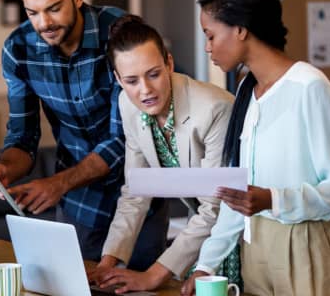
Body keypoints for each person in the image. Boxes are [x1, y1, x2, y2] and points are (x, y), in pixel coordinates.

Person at [0, 0, 167, 266]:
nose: (44, 23)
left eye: (54, 8)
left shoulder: (121, 34)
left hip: (138, 196)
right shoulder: (19, 50)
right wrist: (5, 170)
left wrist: (59, 182)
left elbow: (127, 136)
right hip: (79, 206)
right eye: (32, 12)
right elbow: (23, 135)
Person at [181, 0, 330, 296]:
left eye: (211, 35)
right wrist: (206, 264)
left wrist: (272, 199)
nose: (207, 48)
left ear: (240, 29)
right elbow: (239, 196)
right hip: (255, 249)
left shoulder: (310, 88)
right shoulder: (247, 91)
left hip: (305, 248)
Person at [88, 15, 234, 293]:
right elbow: (135, 192)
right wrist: (107, 264)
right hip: (199, 237)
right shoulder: (127, 105)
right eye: (131, 80)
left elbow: (216, 206)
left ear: (169, 63)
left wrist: (153, 276)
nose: (145, 90)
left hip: (234, 235)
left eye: (153, 74)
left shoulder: (214, 109)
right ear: (118, 79)